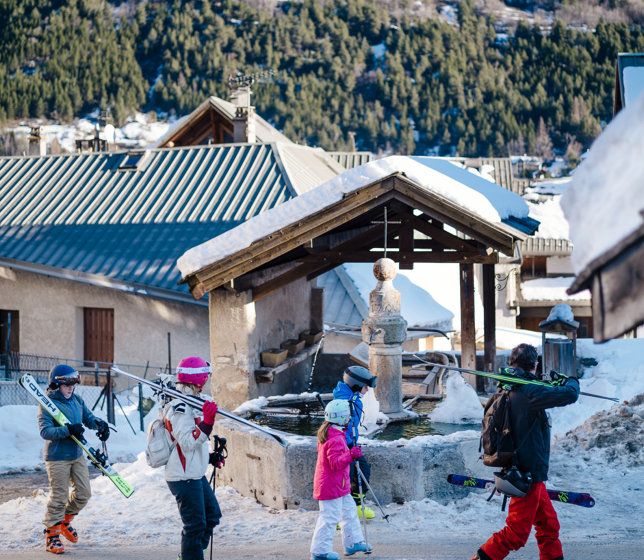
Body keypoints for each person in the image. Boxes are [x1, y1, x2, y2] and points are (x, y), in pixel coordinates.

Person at [470, 343, 580, 560]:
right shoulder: (529, 392)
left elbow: (540, 391)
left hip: (524, 470)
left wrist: (549, 384)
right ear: (535, 364)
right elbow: (570, 394)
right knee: (515, 534)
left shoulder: (508, 387)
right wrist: (570, 380)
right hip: (527, 474)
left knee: (548, 526)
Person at [38, 364, 111, 554]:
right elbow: (45, 432)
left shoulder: (77, 400)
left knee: (84, 493)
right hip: (57, 456)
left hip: (77, 454)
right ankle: (51, 536)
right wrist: (68, 430)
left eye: (73, 384)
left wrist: (100, 425)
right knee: (60, 496)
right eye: (66, 385)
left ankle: (64, 522)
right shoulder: (47, 404)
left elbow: (88, 418)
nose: (70, 388)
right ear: (56, 385)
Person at [163, 356, 222, 560]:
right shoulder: (180, 406)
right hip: (183, 477)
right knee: (195, 526)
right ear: (200, 378)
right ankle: (191, 557)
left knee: (212, 516)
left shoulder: (193, 401)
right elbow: (187, 442)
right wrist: (207, 423)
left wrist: (209, 457)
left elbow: (191, 445)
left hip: (193, 472)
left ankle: (193, 555)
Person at [310, 399, 372, 560]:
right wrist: (350, 455)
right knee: (329, 517)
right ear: (344, 419)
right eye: (349, 416)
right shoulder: (335, 438)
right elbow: (335, 463)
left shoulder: (333, 432)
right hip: (331, 486)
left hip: (339, 485)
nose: (350, 419)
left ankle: (352, 542)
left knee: (350, 511)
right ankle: (320, 551)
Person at [332, 365, 377, 519]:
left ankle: (357, 505)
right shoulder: (343, 402)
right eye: (366, 387)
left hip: (351, 444)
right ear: (356, 386)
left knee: (363, 470)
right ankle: (338, 514)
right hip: (340, 445)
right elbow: (336, 428)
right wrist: (345, 444)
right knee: (346, 477)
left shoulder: (355, 399)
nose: (367, 390)